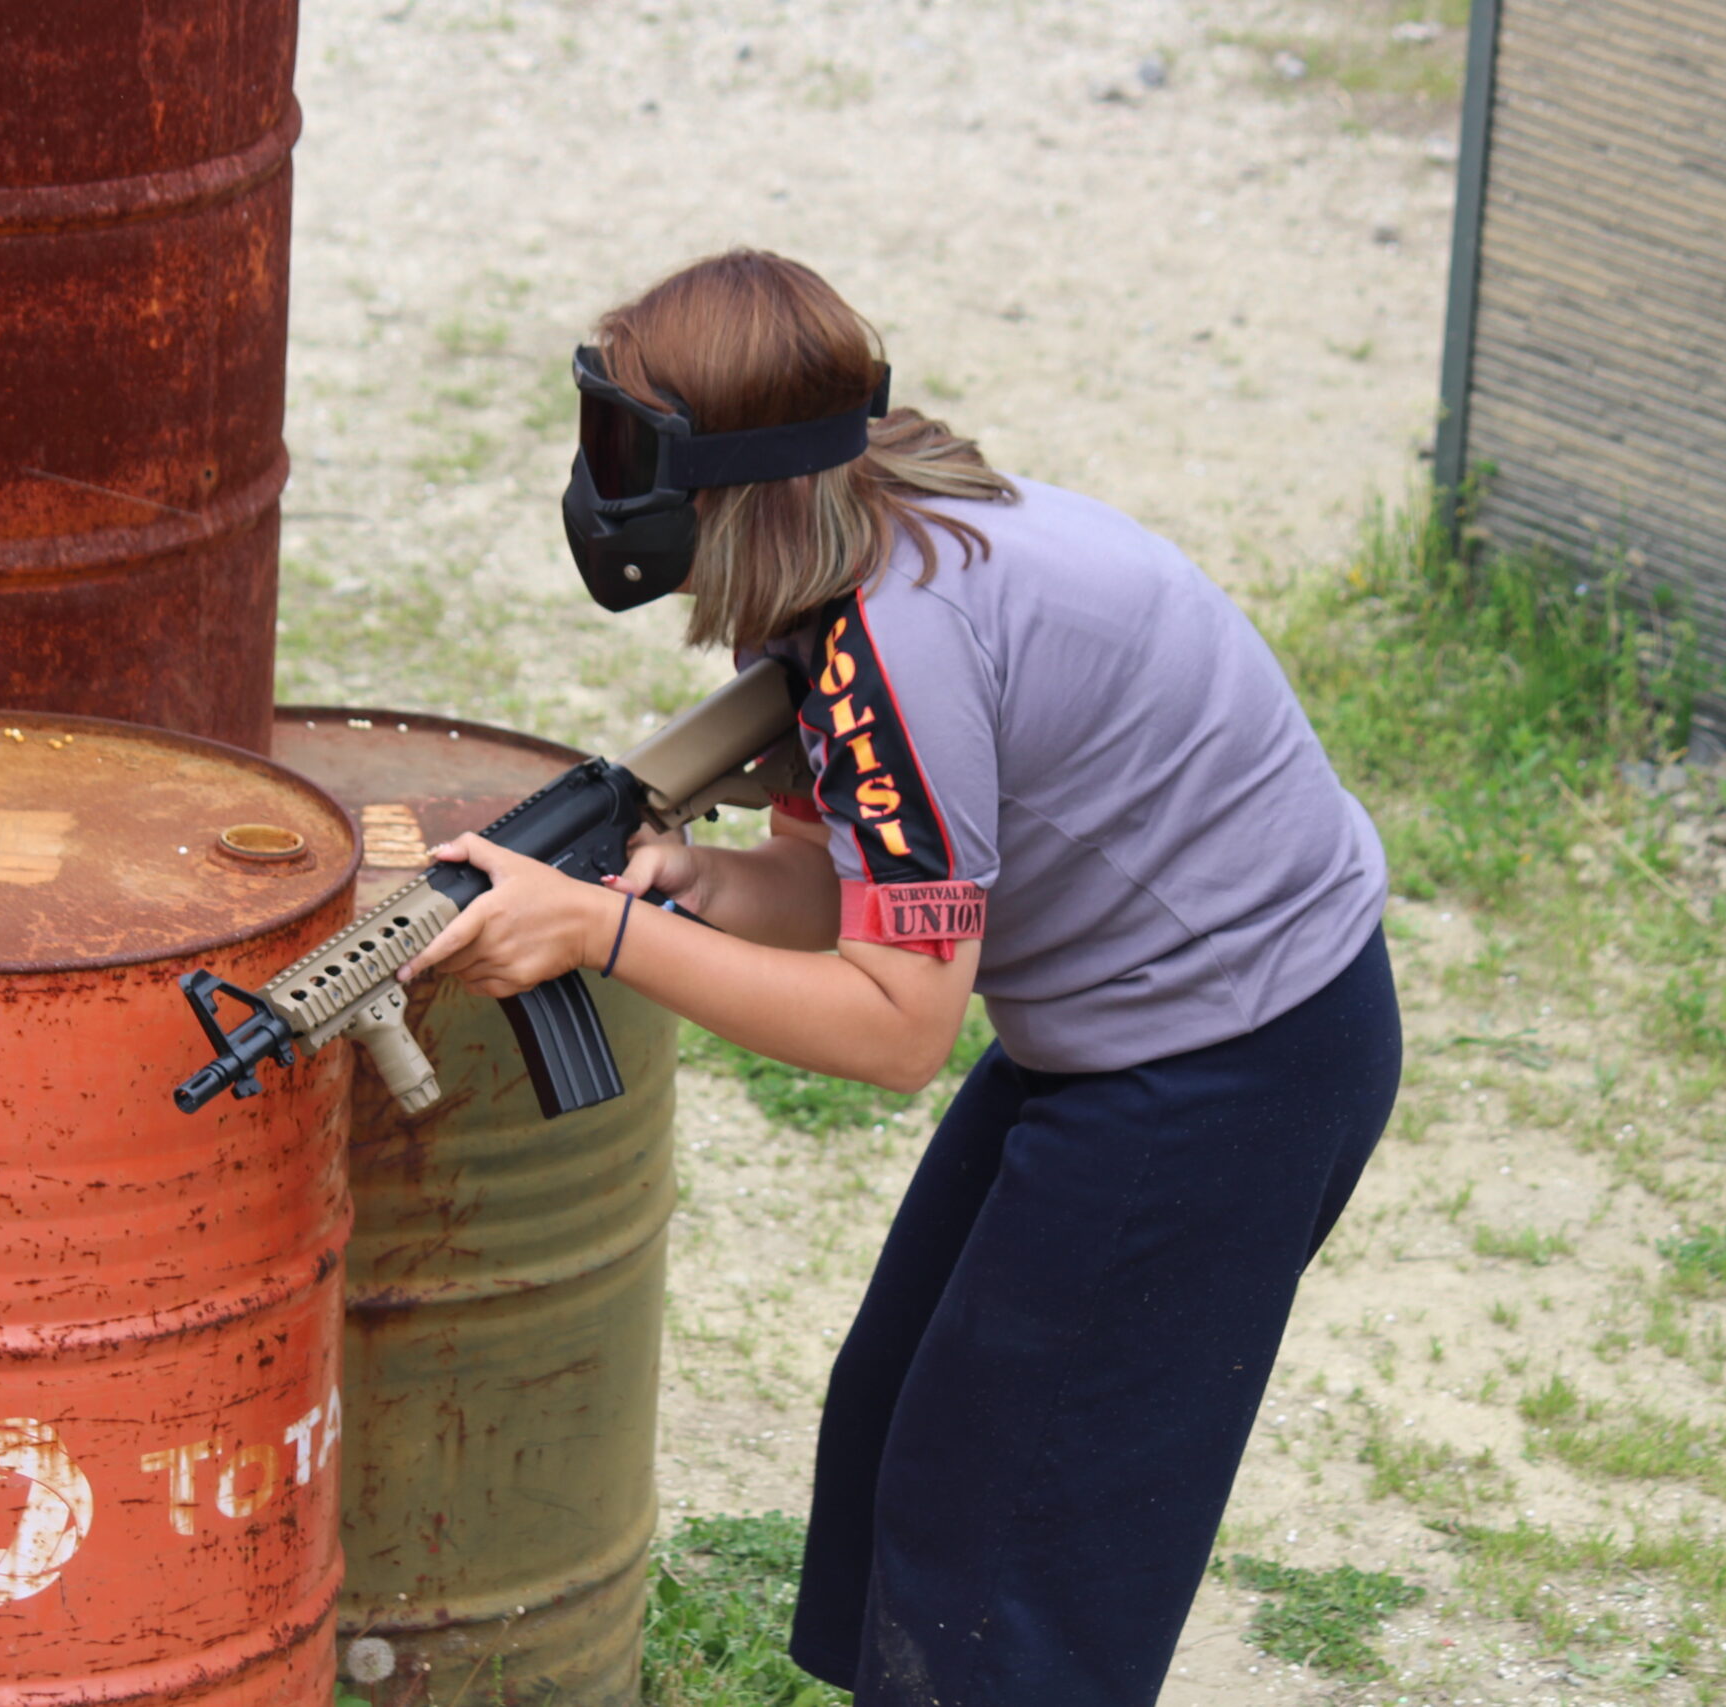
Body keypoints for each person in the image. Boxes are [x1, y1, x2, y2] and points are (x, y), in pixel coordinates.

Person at [400, 249, 1402, 1707]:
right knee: (899, 1432)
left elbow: (896, 1027)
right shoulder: (843, 559)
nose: (606, 484)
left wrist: (600, 935)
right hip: (1157, 1031)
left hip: (1231, 1066)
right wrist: (699, 886)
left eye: (633, 450)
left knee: (1011, 1556)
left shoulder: (900, 640)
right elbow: (852, 895)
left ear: (737, 479)